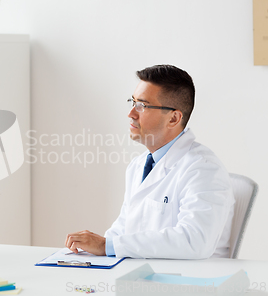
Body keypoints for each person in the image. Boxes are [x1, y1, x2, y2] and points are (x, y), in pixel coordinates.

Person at [65, 65, 234, 259]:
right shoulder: (138, 166)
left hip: (189, 284)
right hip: (141, 277)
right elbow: (123, 228)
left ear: (173, 118)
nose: (131, 114)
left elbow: (195, 241)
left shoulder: (203, 169)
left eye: (142, 106)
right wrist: (91, 252)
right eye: (132, 102)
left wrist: (108, 246)